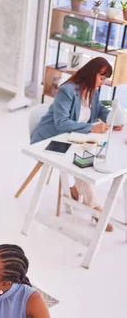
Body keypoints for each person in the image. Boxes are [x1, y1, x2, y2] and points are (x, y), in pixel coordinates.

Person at [31, 57, 123, 231]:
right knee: (83, 160)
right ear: (91, 73)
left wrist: (113, 120)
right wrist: (91, 128)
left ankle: (76, 191)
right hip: (50, 139)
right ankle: (97, 210)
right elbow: (61, 123)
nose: (103, 83)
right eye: (101, 78)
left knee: (91, 156)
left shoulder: (92, 90)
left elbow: (100, 110)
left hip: (72, 138)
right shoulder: (66, 91)